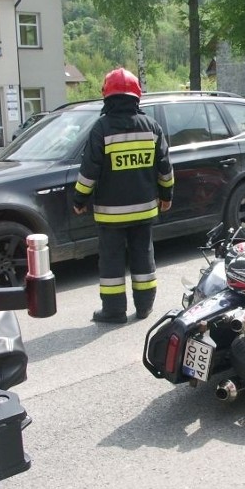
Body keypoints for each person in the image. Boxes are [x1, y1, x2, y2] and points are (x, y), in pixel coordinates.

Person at [73, 67, 174, 324]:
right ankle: (144, 307)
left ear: (106, 97)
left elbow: (89, 172)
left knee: (111, 263)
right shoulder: (151, 127)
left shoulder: (101, 128)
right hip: (144, 211)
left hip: (111, 215)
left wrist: (79, 200)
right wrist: (167, 195)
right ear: (136, 97)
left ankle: (114, 311)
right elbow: (165, 168)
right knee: (144, 257)